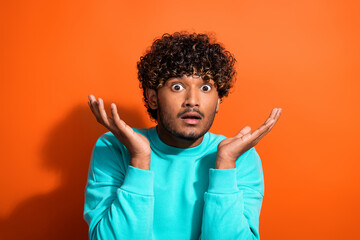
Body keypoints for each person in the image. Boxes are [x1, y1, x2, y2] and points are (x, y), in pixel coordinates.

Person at [83, 32, 282, 240]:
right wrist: (139, 159)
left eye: (205, 87)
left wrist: (225, 166)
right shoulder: (113, 147)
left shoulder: (241, 157)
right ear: (153, 98)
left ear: (218, 103)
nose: (192, 101)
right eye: (177, 86)